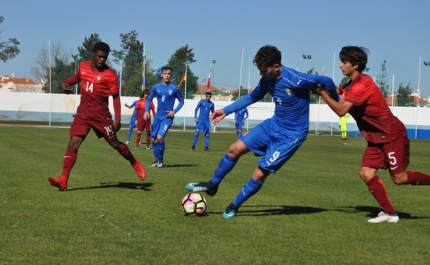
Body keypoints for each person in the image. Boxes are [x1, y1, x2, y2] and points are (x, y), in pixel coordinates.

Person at [185, 45, 339, 219]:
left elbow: (327, 82)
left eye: (263, 70)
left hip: (291, 136)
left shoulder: (295, 79)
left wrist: (337, 98)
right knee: (234, 149)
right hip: (273, 125)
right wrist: (226, 110)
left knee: (260, 171)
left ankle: (234, 206)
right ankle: (212, 184)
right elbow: (252, 96)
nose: (261, 74)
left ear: (276, 66)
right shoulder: (267, 80)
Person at [314, 45, 430, 223]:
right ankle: (390, 214)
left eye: (344, 62)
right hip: (377, 138)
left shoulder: (362, 85)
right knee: (366, 173)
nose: (340, 65)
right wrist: (317, 85)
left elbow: (341, 110)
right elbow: (337, 95)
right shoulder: (350, 84)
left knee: (399, 178)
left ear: (356, 65)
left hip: (391, 135)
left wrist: (322, 93)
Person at [48, 42, 146, 191]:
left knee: (115, 144)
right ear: (93, 54)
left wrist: (118, 119)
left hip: (101, 117)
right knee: (73, 143)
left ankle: (134, 162)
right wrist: (66, 83)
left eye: (104, 58)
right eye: (99, 56)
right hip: (83, 113)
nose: (102, 60)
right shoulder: (83, 66)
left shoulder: (110, 75)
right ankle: (63, 180)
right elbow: (77, 77)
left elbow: (116, 98)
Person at [144, 66, 184, 168]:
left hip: (167, 118)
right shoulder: (156, 87)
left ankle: (160, 160)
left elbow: (181, 101)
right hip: (158, 117)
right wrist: (146, 111)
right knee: (154, 139)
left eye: (169, 74)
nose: (167, 75)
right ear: (161, 75)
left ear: (171, 75)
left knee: (159, 137)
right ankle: (157, 160)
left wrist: (174, 111)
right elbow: (148, 100)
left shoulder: (175, 88)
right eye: (165, 73)